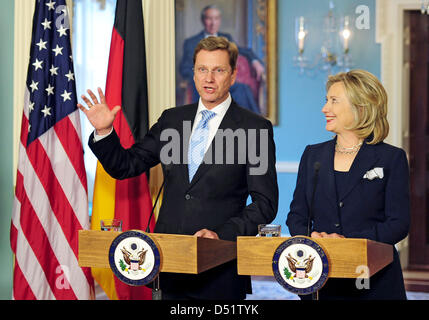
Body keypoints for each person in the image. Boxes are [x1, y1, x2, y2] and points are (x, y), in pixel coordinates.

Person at [78, 36, 278, 300]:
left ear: (233, 75)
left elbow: (265, 203)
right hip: (168, 264)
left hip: (220, 268)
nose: (209, 78)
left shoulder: (255, 128)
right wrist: (104, 131)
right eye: (202, 69)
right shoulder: (172, 119)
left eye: (218, 70)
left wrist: (221, 234)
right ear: (193, 74)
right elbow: (125, 165)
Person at [286, 69, 410, 300]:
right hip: (320, 279)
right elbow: (296, 216)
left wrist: (347, 241)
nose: (325, 108)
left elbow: (398, 223)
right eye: (326, 100)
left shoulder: (391, 158)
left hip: (374, 279)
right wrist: (313, 238)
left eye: (334, 101)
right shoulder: (313, 155)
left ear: (361, 107)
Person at [179, 4, 265, 113]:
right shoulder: (191, 43)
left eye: (216, 18)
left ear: (219, 20)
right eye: (209, 18)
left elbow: (243, 51)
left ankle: (252, 123)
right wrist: (202, 78)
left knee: (243, 89)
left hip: (223, 84)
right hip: (204, 85)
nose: (213, 23)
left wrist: (255, 61)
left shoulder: (226, 38)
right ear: (203, 20)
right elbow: (184, 68)